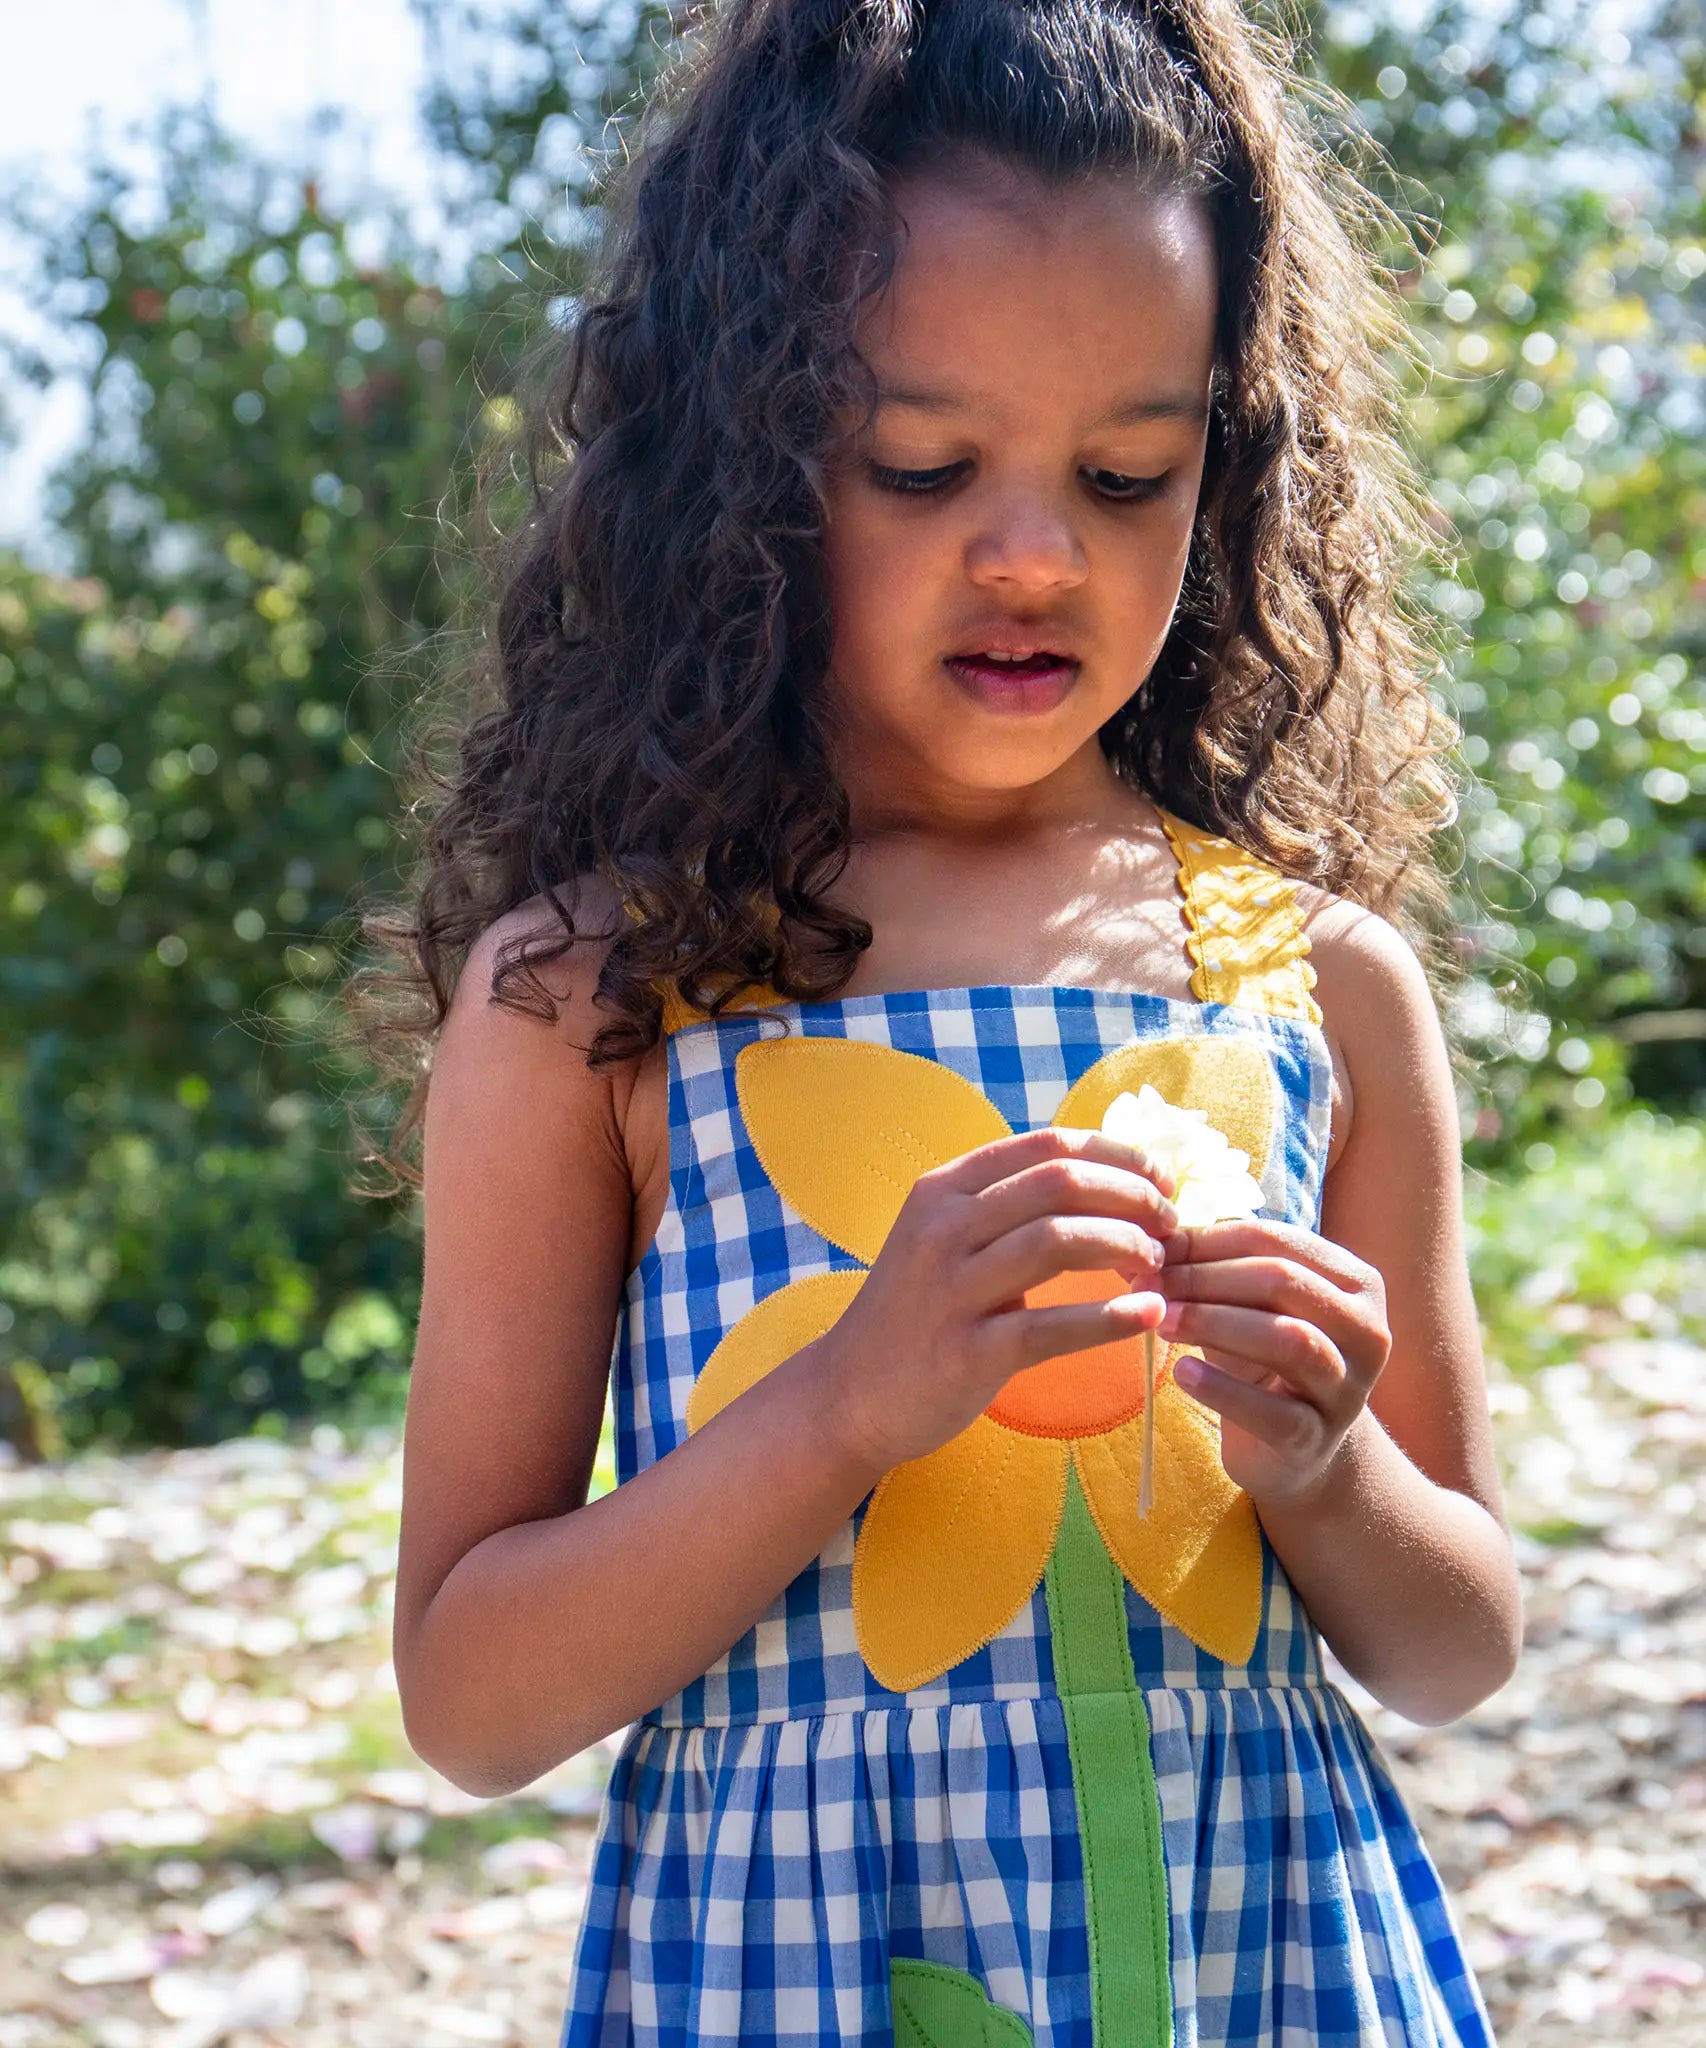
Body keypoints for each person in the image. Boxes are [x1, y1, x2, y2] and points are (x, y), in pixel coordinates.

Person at [363, 0, 1523, 2040]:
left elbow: (1457, 1647)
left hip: (1256, 1968)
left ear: (1228, 470)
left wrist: (1327, 1465)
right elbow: (470, 1697)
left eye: (1125, 470)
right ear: (746, 460)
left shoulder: (1315, 980)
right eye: (919, 461)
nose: (1031, 551)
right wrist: (835, 1410)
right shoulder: (594, 997)